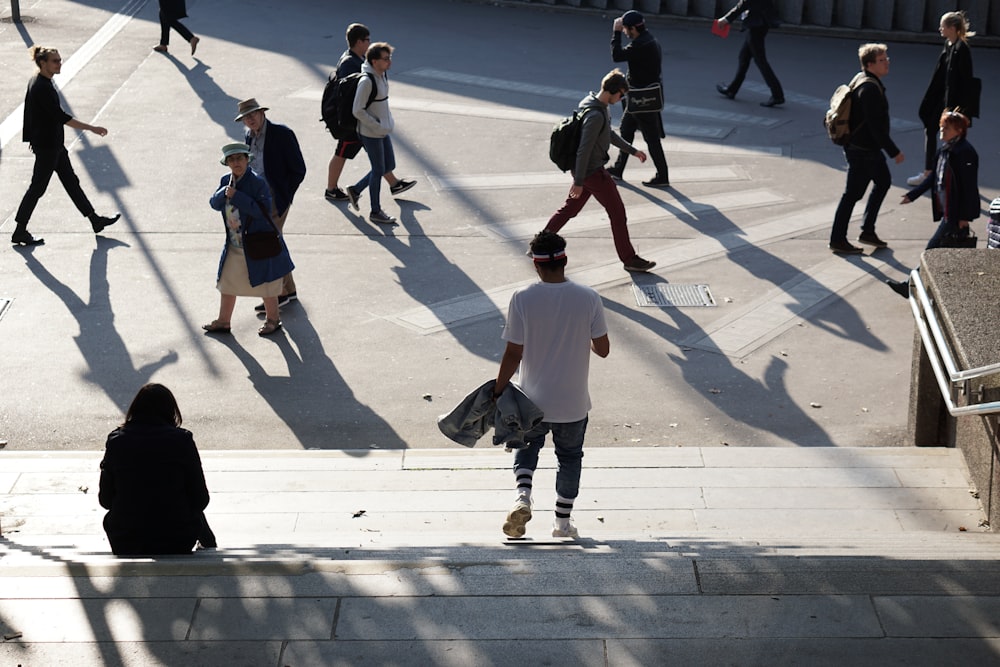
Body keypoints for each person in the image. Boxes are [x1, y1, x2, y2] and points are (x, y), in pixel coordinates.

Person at [494, 231, 610, 539]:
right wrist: (578, 335)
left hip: (532, 400)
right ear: (565, 260)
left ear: (535, 265)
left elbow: (513, 352)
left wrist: (497, 388)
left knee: (526, 446)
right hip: (572, 403)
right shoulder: (588, 297)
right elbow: (604, 349)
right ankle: (561, 524)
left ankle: (522, 496)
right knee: (570, 458)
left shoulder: (522, 298)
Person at [543, 69, 656, 273]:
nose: (622, 99)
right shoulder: (596, 114)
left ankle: (541, 242)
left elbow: (608, 135)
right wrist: (578, 181)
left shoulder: (595, 104)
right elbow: (584, 149)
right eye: (621, 95)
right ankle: (629, 259)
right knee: (618, 214)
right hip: (592, 173)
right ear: (613, 91)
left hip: (585, 172)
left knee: (569, 209)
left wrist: (632, 150)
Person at [11, 46, 120, 247]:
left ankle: (94, 220)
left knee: (71, 182)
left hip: (53, 145)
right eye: (55, 61)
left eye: (60, 60)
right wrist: (91, 128)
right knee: (37, 188)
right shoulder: (41, 87)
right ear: (43, 63)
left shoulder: (41, 81)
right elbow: (61, 117)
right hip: (48, 147)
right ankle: (19, 230)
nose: (59, 64)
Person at [99, 384, 215, 556]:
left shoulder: (117, 441)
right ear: (171, 411)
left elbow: (106, 500)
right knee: (187, 506)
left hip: (126, 539)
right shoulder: (182, 440)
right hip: (176, 539)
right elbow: (200, 499)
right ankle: (210, 546)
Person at [203, 143, 294, 337]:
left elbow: (262, 211)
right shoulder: (226, 180)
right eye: (232, 159)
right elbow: (214, 203)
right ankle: (224, 321)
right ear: (227, 163)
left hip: (258, 243)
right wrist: (224, 192)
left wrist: (237, 196)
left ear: (247, 160)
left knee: (266, 284)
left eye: (239, 158)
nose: (236, 163)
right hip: (235, 243)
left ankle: (273, 320)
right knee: (227, 282)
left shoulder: (257, 183)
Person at [886, 110, 979, 298]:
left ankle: (909, 287)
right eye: (941, 127)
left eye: (946, 128)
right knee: (951, 253)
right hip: (948, 212)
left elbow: (969, 187)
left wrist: (964, 217)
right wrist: (913, 195)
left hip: (954, 214)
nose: (942, 131)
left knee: (932, 250)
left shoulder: (965, 153)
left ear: (959, 130)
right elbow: (933, 178)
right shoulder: (945, 150)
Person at [325, 23, 415, 203]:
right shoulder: (350, 63)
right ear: (359, 42)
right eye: (367, 40)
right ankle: (333, 189)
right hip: (355, 121)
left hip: (362, 120)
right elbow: (351, 95)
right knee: (343, 152)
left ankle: (392, 183)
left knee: (375, 158)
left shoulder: (356, 58)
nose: (369, 42)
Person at [828, 43, 904, 255]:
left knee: (883, 182)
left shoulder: (862, 78)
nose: (887, 62)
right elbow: (874, 125)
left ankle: (867, 231)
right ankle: (838, 239)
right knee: (852, 194)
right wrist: (894, 151)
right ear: (870, 64)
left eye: (886, 58)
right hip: (863, 150)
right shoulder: (869, 88)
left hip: (863, 147)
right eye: (882, 60)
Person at [236, 98, 306, 311]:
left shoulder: (282, 134)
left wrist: (284, 194)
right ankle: (289, 290)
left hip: (275, 197)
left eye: (253, 115)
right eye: (246, 118)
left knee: (268, 241)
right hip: (258, 197)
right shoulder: (249, 136)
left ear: (262, 113)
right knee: (275, 240)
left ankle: (279, 294)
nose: (250, 120)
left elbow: (298, 170)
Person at [344, 42, 410, 225]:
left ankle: (356, 190)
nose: (389, 62)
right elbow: (357, 110)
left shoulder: (382, 75)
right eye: (385, 59)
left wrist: (387, 123)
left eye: (390, 58)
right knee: (379, 169)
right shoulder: (367, 81)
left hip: (381, 130)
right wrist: (377, 126)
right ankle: (375, 211)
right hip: (371, 133)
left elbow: (381, 104)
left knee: (388, 165)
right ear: (374, 61)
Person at [908, 11, 976, 187]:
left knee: (953, 139)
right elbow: (941, 77)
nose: (940, 29)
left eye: (942, 26)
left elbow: (965, 83)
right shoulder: (949, 44)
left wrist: (959, 111)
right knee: (932, 130)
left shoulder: (962, 50)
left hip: (953, 104)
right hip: (942, 101)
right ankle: (931, 172)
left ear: (952, 28)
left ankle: (944, 175)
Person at [609, 10, 670, 188]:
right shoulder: (650, 39)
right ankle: (619, 169)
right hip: (640, 97)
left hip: (643, 100)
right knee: (626, 131)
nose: (626, 32)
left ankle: (663, 176)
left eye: (627, 29)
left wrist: (616, 32)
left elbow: (616, 56)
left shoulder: (640, 45)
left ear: (633, 28)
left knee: (651, 139)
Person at [715, 0, 785, 107]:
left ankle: (777, 95)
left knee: (760, 61)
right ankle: (732, 89)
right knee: (744, 57)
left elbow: (744, 3)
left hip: (757, 23)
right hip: (761, 22)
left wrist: (726, 19)